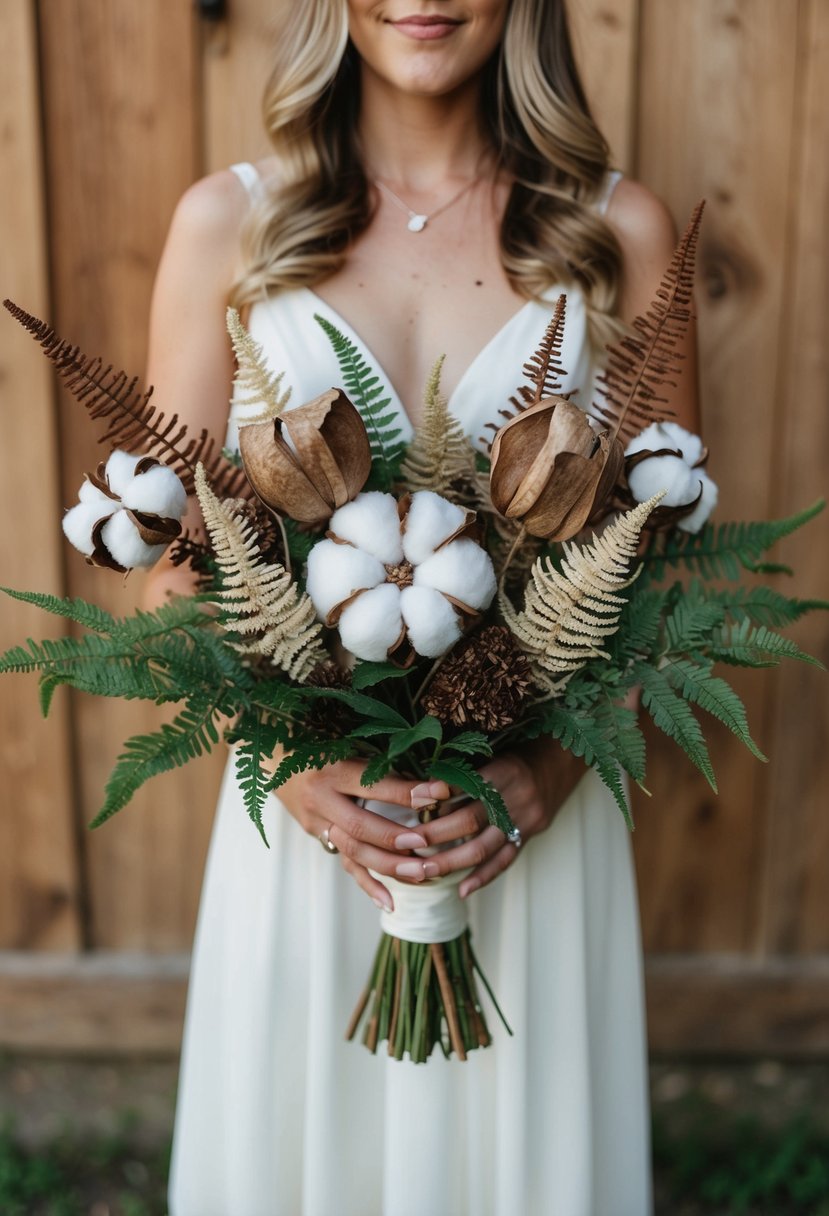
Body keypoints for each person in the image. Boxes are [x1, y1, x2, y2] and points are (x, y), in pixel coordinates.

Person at [144, 2, 700, 1213]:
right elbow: (174, 561)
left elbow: (669, 564)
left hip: (521, 839)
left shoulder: (616, 233)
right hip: (309, 838)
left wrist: (550, 771)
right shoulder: (230, 225)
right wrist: (289, 763)